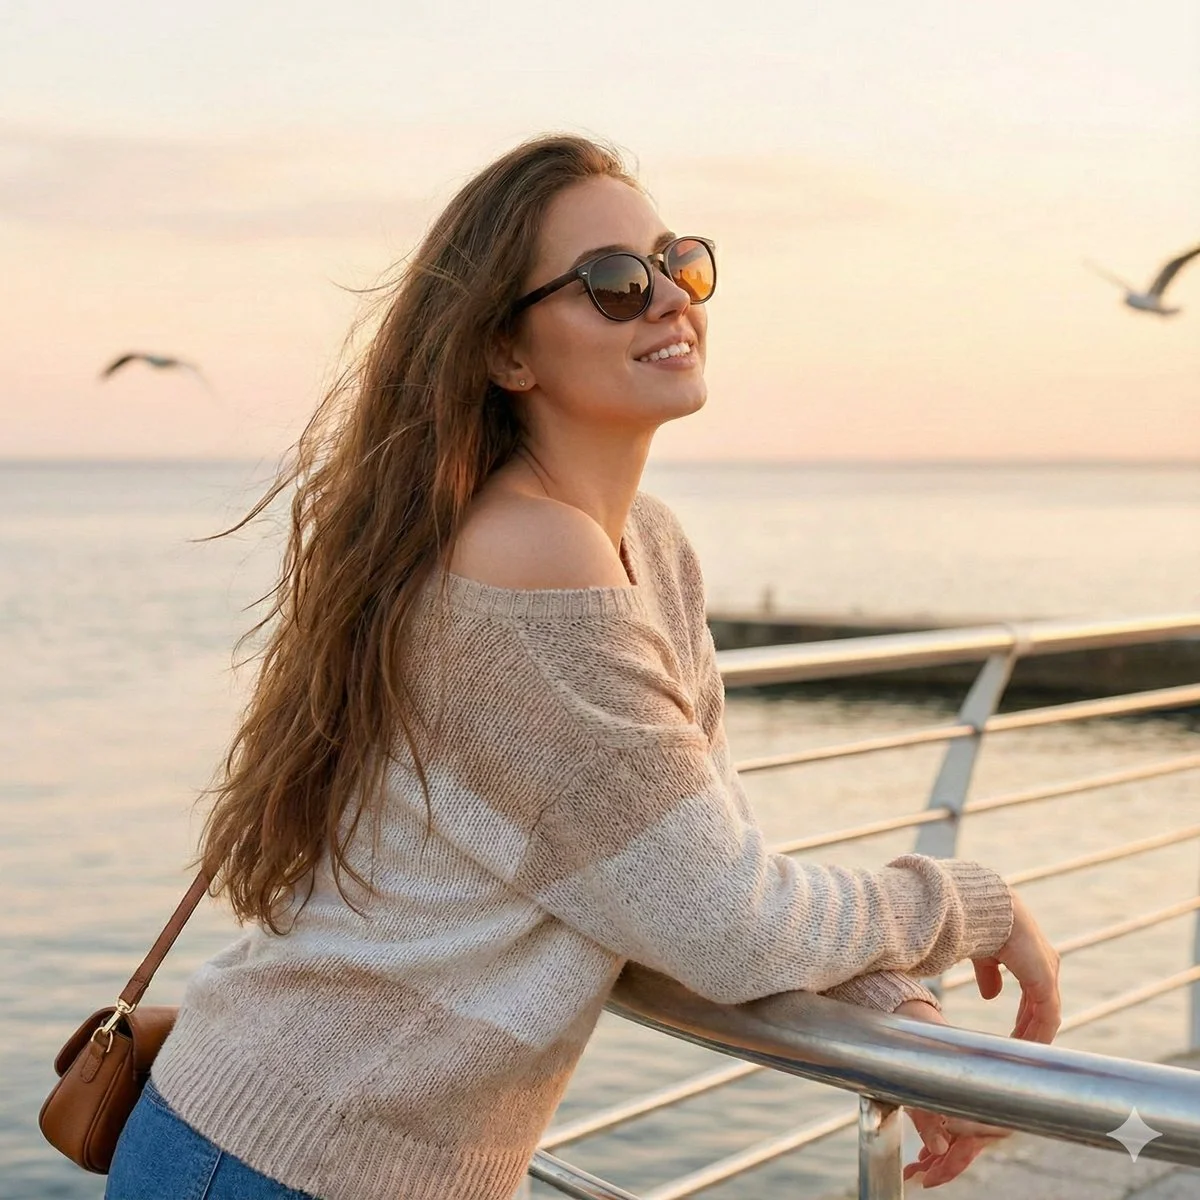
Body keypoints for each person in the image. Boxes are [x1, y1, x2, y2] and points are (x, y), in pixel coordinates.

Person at [104, 133, 1061, 1200]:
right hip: (284, 1161)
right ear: (507, 355)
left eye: (678, 263)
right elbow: (719, 920)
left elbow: (678, 872)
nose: (666, 299)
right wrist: (965, 905)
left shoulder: (645, 546)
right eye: (612, 283)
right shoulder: (528, 562)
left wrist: (893, 1012)